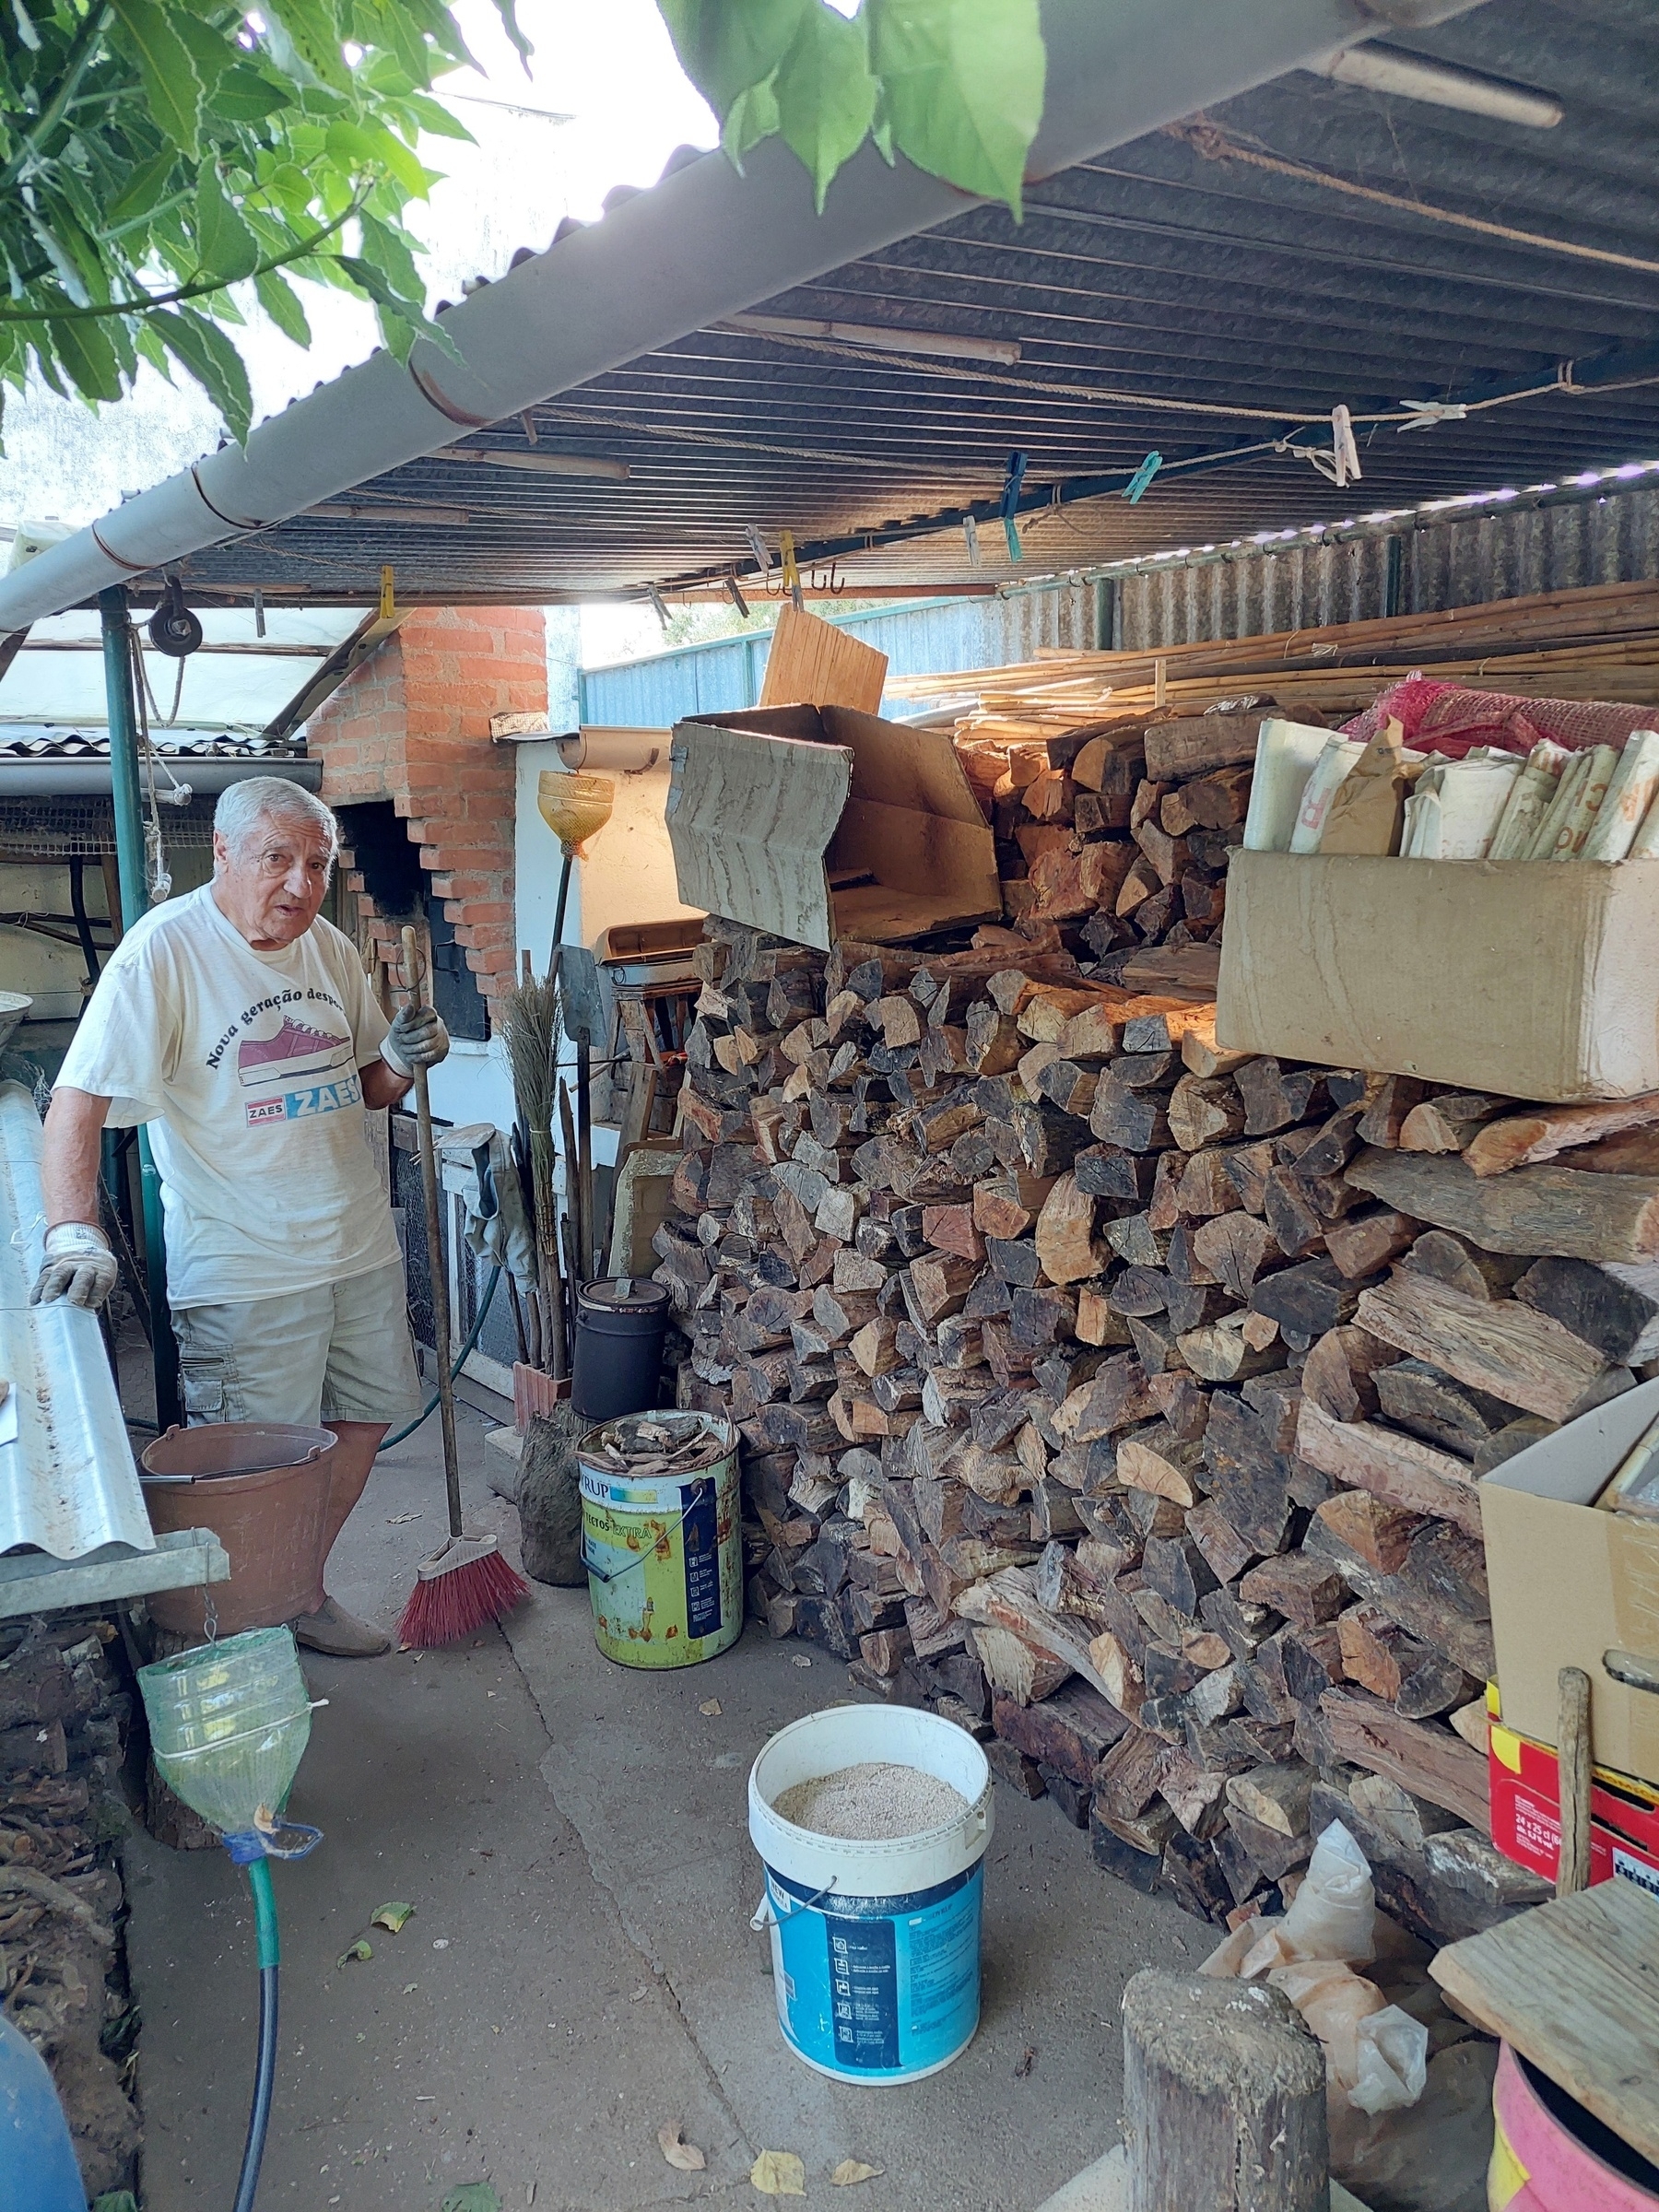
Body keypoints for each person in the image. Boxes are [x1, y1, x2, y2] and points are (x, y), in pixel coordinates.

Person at [34, 777, 450, 1657]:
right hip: (246, 1266)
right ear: (221, 853)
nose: (302, 883)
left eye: (317, 864)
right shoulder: (164, 953)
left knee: (363, 1424)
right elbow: (76, 1100)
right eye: (277, 859)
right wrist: (72, 1228)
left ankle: (297, 1592)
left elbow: (366, 1088)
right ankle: (242, 1647)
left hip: (357, 1247)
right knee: (254, 1473)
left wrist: (401, 1059)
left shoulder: (328, 948)